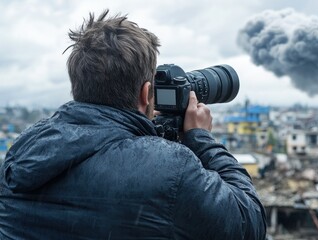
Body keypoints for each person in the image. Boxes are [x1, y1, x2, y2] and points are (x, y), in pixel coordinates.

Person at [0, 10, 267, 239]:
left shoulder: (24, 149)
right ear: (145, 93)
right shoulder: (170, 169)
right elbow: (249, 223)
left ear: (78, 86)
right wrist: (200, 138)